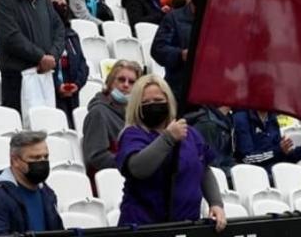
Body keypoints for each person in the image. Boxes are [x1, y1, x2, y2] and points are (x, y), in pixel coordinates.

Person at [115, 74, 226, 230]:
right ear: (136, 106)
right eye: (146, 102)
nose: (153, 105)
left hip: (186, 225)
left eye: (159, 101)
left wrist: (216, 203)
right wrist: (168, 138)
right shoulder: (133, 134)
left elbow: (203, 168)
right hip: (145, 227)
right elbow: (138, 169)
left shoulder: (190, 134)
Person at [0, 0, 66, 112]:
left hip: (44, 72)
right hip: (17, 75)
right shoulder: (4, 1)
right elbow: (11, 37)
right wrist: (40, 57)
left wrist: (53, 56)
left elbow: (58, 28)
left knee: (45, 119)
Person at [0, 131, 64, 235]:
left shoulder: (48, 195)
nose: (42, 162)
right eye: (35, 158)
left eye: (46, 157)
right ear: (15, 160)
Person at [82, 60, 142, 182]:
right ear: (110, 82)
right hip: (108, 181)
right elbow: (97, 156)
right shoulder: (98, 113)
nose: (126, 85)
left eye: (131, 82)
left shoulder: (136, 115)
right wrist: (132, 165)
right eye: (121, 79)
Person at [151, 0, 199, 110]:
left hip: (206, 93)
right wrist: (181, 55)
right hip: (178, 89)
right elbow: (158, 50)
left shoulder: (216, 20)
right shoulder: (174, 17)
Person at [49, 0, 90, 128]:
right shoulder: (44, 34)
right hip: (53, 94)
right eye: (58, 2)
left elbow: (83, 65)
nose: (63, 4)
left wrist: (77, 84)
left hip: (73, 92)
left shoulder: (72, 35)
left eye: (64, 2)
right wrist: (55, 86)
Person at [232, 109, 301, 169]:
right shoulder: (241, 118)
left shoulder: (272, 119)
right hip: (253, 176)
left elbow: (282, 158)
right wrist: (278, 151)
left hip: (275, 173)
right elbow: (247, 159)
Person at [185, 106, 237, 176]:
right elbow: (210, 165)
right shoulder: (207, 124)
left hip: (222, 172)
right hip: (208, 178)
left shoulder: (228, 120)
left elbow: (226, 157)